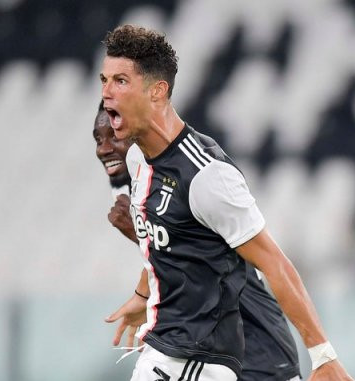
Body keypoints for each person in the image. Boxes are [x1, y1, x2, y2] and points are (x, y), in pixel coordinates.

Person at [98, 24, 353, 381]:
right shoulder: (138, 159)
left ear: (158, 91)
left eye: (120, 81)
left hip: (197, 360)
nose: (106, 93)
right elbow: (168, 241)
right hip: (170, 351)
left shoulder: (207, 176)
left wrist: (322, 355)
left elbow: (274, 262)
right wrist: (144, 294)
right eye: (103, 80)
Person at [93, 102, 302, 381]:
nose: (104, 148)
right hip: (219, 356)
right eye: (98, 139)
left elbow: (198, 261)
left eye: (114, 136)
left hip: (258, 355)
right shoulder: (141, 186)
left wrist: (323, 352)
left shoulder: (186, 178)